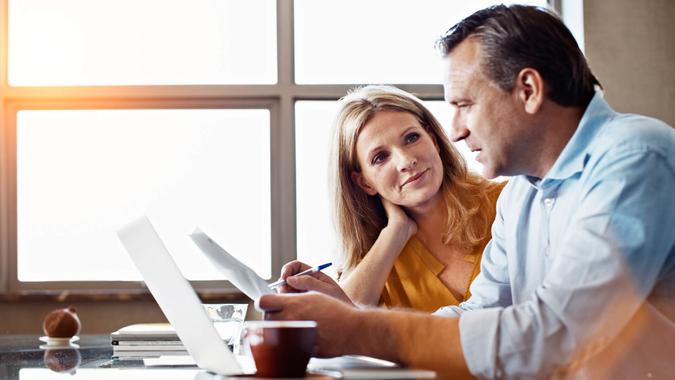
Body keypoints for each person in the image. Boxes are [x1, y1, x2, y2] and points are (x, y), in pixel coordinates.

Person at [259, 5, 675, 379]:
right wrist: (346, 317)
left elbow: (557, 333)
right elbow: (480, 314)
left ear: (528, 90)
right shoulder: (523, 195)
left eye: (464, 105)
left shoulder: (635, 158)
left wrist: (357, 329)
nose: (455, 131)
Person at [330, 85, 504, 312]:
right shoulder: (378, 263)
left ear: (432, 138)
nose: (406, 161)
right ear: (364, 182)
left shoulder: (506, 202)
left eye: (411, 138)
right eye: (380, 157)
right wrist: (396, 232)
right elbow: (343, 323)